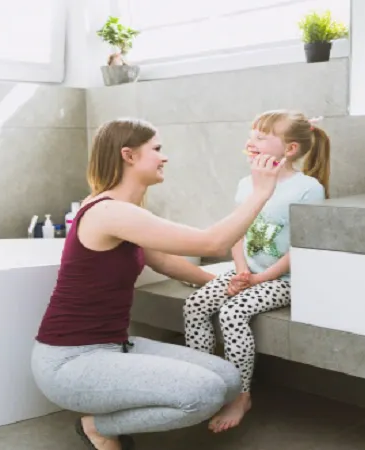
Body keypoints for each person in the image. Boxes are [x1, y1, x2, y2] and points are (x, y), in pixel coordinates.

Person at [30, 117, 286, 450]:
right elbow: (212, 244)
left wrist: (227, 284)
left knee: (228, 379)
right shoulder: (110, 212)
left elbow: (166, 263)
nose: (164, 157)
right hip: (72, 361)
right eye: (157, 149)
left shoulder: (123, 212)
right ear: (129, 155)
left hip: (113, 346)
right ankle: (97, 426)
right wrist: (261, 191)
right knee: (205, 394)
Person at [182, 110, 330, 433]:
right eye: (251, 135)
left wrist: (260, 278)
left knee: (232, 313)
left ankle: (241, 395)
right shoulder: (245, 183)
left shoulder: (308, 189)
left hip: (283, 280)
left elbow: (301, 249)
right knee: (195, 304)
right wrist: (240, 271)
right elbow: (237, 230)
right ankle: (202, 382)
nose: (252, 141)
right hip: (247, 273)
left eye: (261, 137)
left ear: (289, 149)